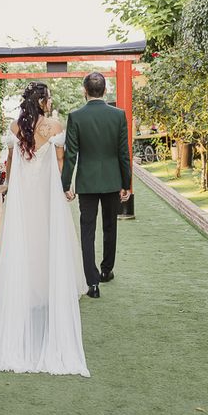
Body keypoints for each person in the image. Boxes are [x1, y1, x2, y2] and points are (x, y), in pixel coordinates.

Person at [0, 82, 90, 377]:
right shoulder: (53, 127)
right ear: (42, 102)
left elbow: (12, 162)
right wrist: (67, 188)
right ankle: (47, 290)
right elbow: (61, 160)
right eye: (49, 98)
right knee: (48, 239)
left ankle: (26, 290)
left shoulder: (16, 127)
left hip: (24, 194)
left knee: (24, 240)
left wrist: (7, 185)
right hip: (47, 194)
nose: (50, 103)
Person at [61, 72, 132, 299]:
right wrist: (126, 183)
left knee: (87, 231)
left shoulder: (75, 116)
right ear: (105, 89)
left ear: (84, 91)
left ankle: (92, 283)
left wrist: (65, 184)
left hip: (87, 182)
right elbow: (124, 153)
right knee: (110, 227)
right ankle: (106, 270)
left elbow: (71, 154)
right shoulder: (119, 115)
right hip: (112, 180)